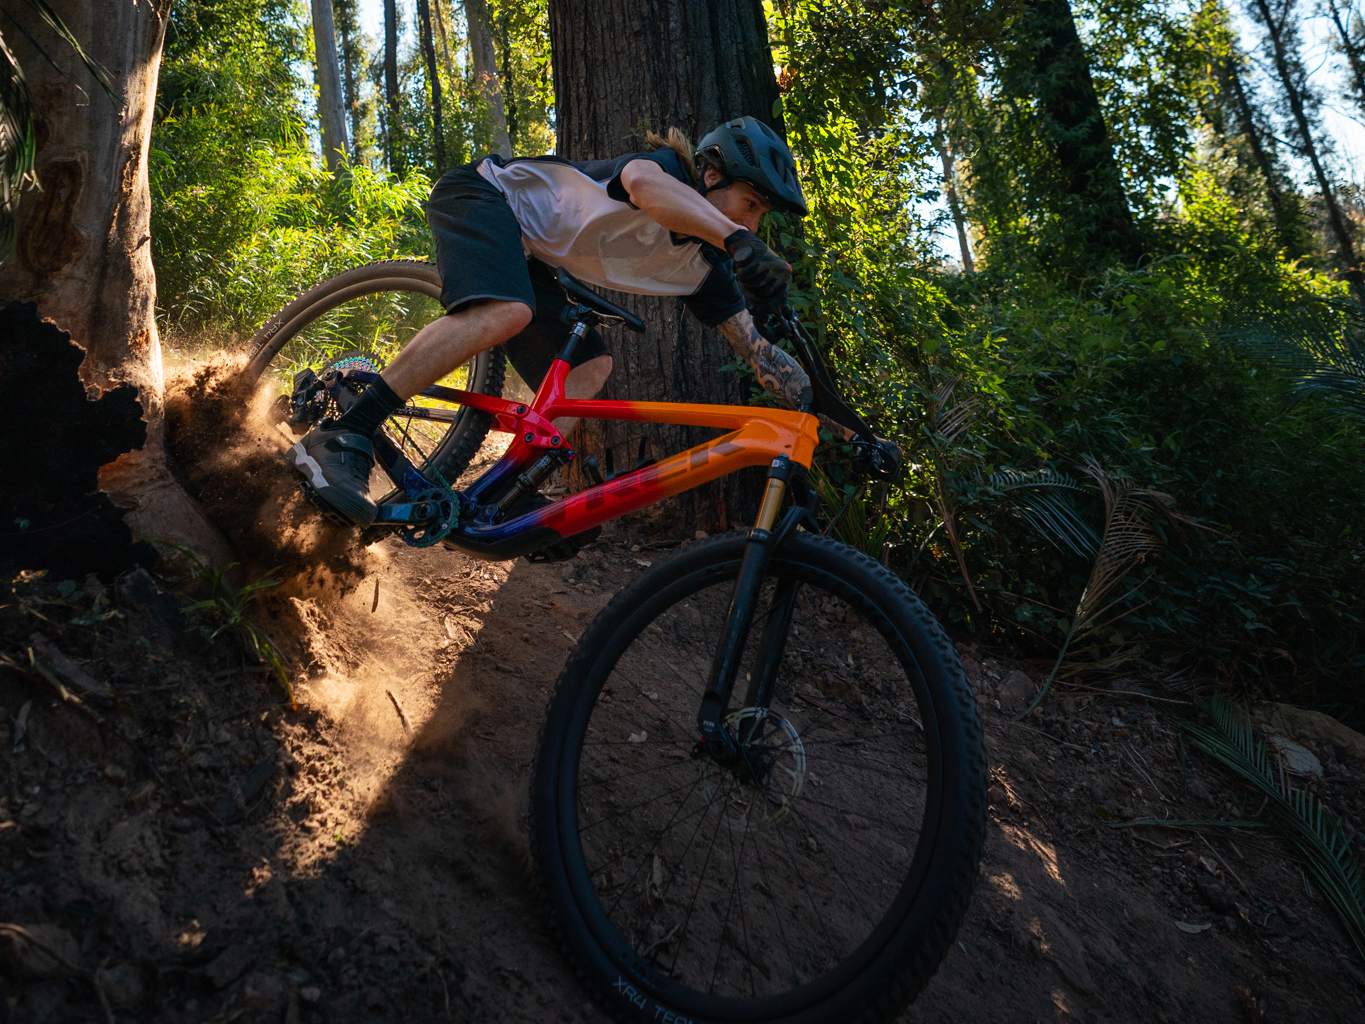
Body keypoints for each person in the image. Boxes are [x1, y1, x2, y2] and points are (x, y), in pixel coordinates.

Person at [288, 116, 825, 527]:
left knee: (590, 368)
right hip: (485, 193)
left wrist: (843, 425)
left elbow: (759, 354)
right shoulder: (664, 172)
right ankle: (346, 434)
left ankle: (502, 492)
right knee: (509, 310)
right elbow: (640, 185)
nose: (753, 222)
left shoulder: (707, 270)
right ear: (710, 175)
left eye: (760, 216)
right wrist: (737, 238)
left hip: (534, 258)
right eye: (750, 203)